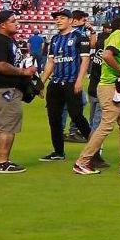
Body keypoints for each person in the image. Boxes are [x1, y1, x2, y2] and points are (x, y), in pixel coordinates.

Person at [74, 8, 120, 177]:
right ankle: (82, 161)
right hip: (111, 87)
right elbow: (107, 55)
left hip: (119, 87)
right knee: (106, 125)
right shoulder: (118, 36)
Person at [0, 11, 32, 173]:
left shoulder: (6, 40)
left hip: (0, 88)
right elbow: (1, 65)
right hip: (4, 89)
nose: (17, 23)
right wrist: (23, 72)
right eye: (13, 21)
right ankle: (3, 162)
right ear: (3, 24)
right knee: (8, 126)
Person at [38, 10, 89, 164]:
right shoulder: (54, 39)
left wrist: (79, 80)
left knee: (77, 116)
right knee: (54, 118)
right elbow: (51, 62)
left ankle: (95, 148)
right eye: (57, 18)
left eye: (62, 18)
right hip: (55, 83)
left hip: (71, 81)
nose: (58, 21)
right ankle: (58, 152)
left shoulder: (80, 37)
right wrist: (41, 83)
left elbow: (85, 60)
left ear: (71, 20)